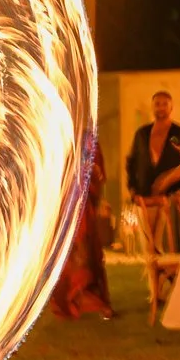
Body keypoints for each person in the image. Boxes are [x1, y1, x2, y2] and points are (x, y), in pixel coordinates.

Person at [45, 132, 116, 321]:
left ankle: (89, 297)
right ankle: (71, 298)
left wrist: (89, 172)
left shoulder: (88, 139)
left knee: (84, 247)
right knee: (68, 253)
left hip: (83, 207)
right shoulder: (58, 134)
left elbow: (98, 171)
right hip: (62, 206)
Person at [124, 91, 180, 248]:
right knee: (146, 247)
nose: (161, 108)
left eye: (164, 104)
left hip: (170, 201)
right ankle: (150, 272)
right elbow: (131, 163)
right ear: (152, 107)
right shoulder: (141, 134)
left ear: (171, 107)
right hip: (144, 199)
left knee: (168, 246)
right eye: (157, 104)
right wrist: (133, 191)